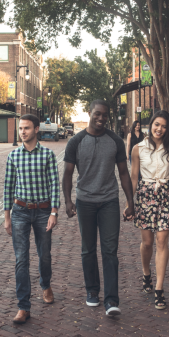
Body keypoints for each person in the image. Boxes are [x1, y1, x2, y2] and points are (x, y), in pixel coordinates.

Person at [63, 100, 135, 317]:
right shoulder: (76, 141)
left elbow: (123, 173)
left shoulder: (115, 141)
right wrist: (68, 201)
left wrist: (131, 202)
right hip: (85, 201)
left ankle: (112, 300)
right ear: (89, 113)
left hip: (109, 201)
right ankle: (92, 291)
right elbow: (67, 174)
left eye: (104, 115)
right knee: (88, 249)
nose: (101, 118)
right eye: (97, 114)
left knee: (110, 251)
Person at [3, 114, 60, 325]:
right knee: (21, 259)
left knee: (44, 255)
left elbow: (55, 184)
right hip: (20, 211)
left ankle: (45, 284)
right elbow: (8, 186)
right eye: (20, 129)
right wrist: (6, 216)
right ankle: (23, 306)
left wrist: (54, 212)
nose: (22, 132)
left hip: (44, 211)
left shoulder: (48, 155)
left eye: (26, 128)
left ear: (36, 129)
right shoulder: (13, 156)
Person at [129, 110, 169, 310]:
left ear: (168, 129)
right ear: (150, 125)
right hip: (145, 196)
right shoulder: (138, 149)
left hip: (167, 196)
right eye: (156, 125)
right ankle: (146, 273)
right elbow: (134, 177)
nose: (159, 129)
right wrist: (130, 203)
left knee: (162, 241)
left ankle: (159, 289)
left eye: (164, 126)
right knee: (147, 242)